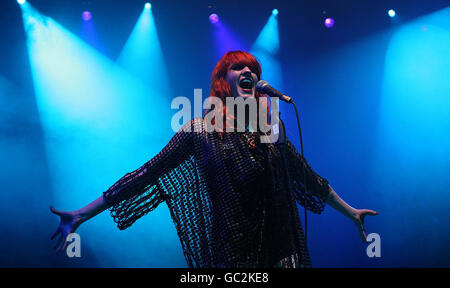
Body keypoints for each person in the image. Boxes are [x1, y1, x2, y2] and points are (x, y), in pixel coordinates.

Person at [50, 50, 378, 267]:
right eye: (239, 67)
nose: (249, 70)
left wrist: (351, 213)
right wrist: (82, 214)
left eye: (254, 68)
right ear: (224, 81)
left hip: (281, 252)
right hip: (232, 255)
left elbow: (308, 177)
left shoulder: (270, 131)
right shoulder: (200, 131)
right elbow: (147, 174)